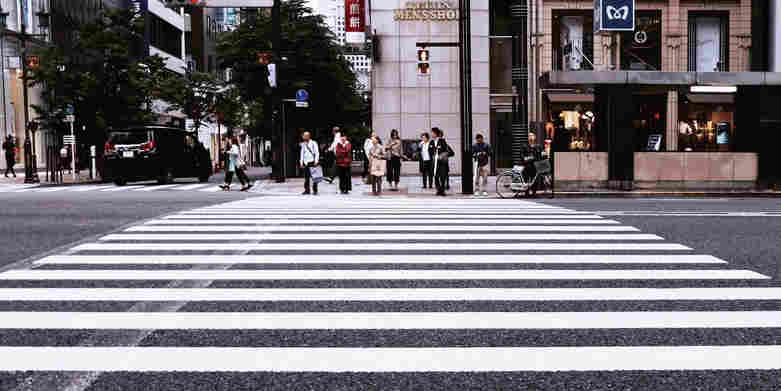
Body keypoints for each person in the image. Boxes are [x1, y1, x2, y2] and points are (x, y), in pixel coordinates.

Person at [429, 127, 453, 196]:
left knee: (442, 176)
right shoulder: (431, 142)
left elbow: (446, 150)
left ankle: (442, 190)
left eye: (433, 133)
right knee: (435, 176)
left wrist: (441, 155)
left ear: (436, 133)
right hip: (434, 162)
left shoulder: (442, 141)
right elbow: (430, 151)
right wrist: (433, 155)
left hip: (442, 162)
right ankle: (438, 189)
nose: (432, 134)